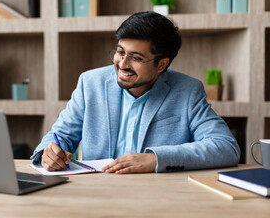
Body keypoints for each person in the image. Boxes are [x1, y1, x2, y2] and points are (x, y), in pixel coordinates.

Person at [31, 11, 240, 173]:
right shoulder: (90, 83)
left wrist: (156, 159)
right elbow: (60, 135)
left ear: (161, 65)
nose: (123, 64)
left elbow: (225, 147)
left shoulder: (187, 91)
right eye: (120, 52)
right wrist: (47, 152)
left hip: (158, 198)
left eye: (136, 58)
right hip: (96, 193)